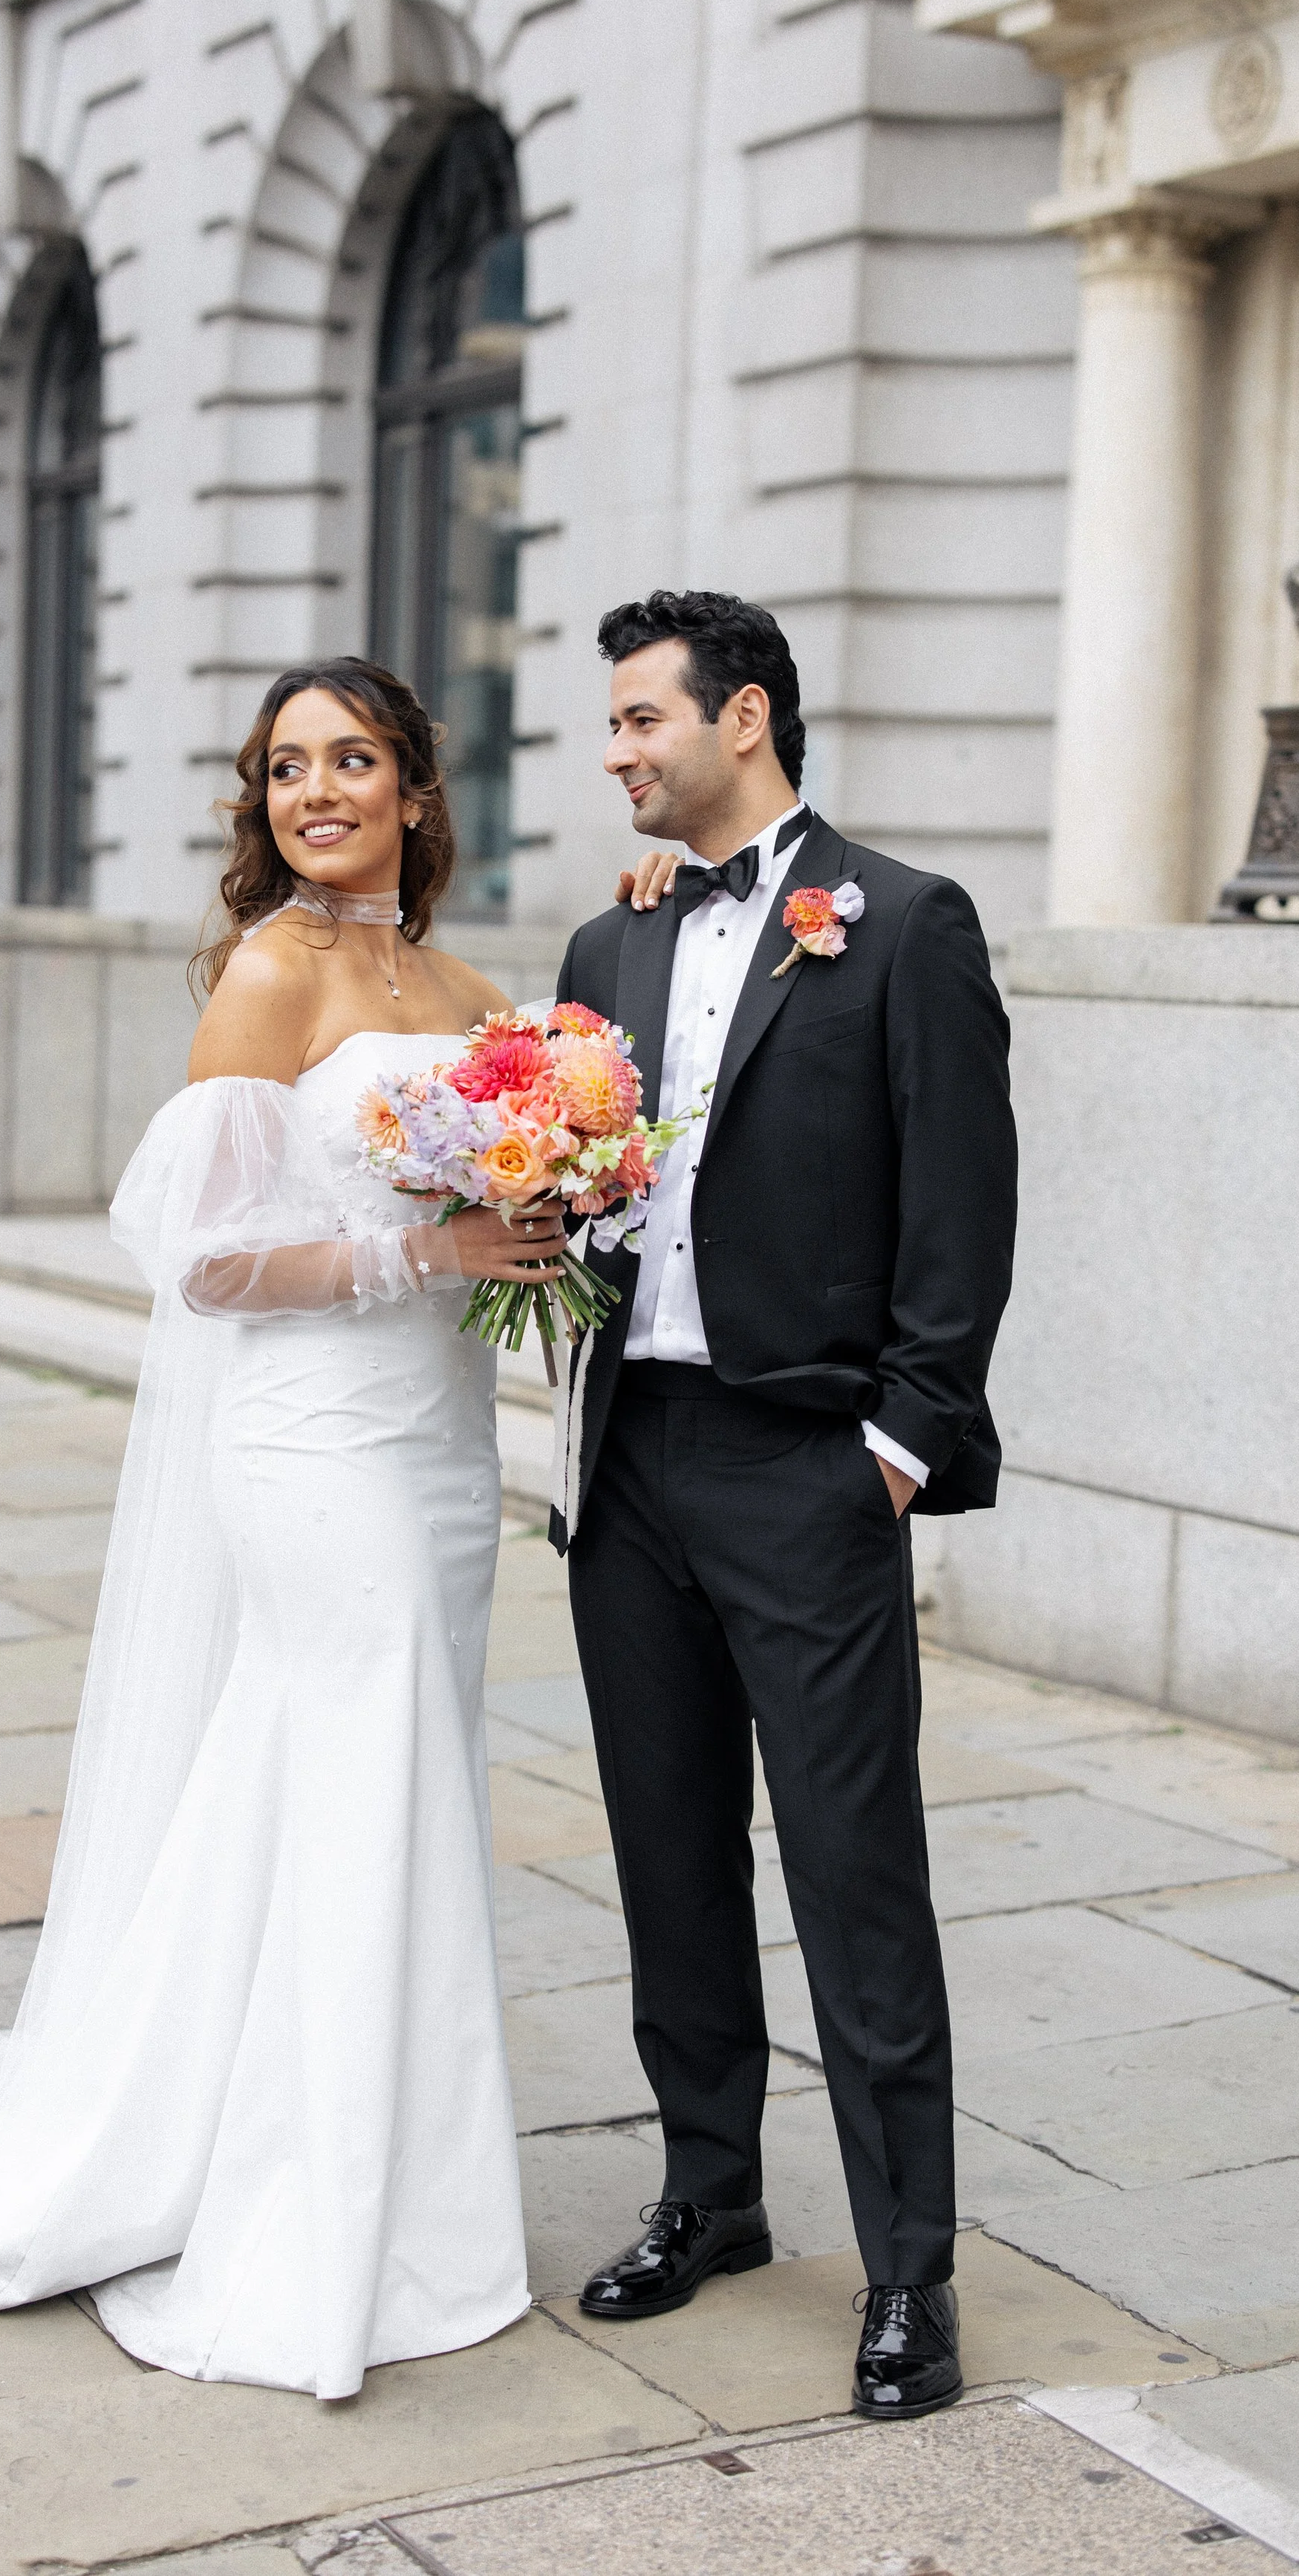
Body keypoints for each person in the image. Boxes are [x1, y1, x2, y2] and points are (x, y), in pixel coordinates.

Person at [0, 657, 567, 2402]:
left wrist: (544, 1193)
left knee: (368, 1786)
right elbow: (204, 1260)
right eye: (282, 769)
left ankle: (381, 2174)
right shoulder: (271, 970)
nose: (314, 791)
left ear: (414, 787)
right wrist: (428, 1252)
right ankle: (307, 2215)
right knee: (355, 1774)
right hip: (310, 1443)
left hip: (437, 1447)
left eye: (350, 760)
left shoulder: (468, 990)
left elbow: (508, 1184)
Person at [553, 588, 1017, 2421]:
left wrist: (897, 1448)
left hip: (804, 1470)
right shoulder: (608, 943)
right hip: (633, 1459)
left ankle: (910, 2272)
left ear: (739, 718)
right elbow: (591, 1188)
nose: (614, 752)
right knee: (668, 1856)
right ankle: (708, 2191)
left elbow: (959, 1207)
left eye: (637, 720)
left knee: (850, 1876)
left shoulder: (902, 924)